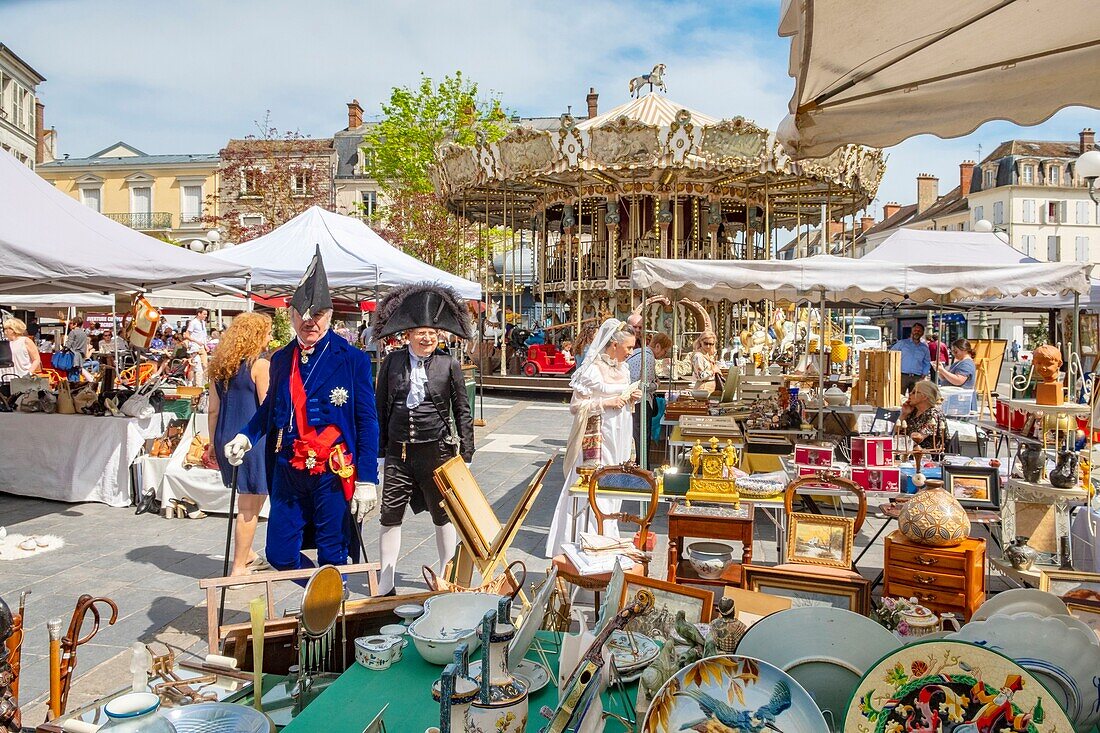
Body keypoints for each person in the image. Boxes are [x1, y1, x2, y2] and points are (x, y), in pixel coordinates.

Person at [225, 249, 379, 571]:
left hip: (333, 471)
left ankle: (329, 615)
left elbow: (367, 422)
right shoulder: (280, 359)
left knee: (333, 552)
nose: (310, 321)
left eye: (318, 313)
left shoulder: (353, 360)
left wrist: (367, 479)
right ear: (292, 315)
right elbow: (269, 410)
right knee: (279, 554)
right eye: (303, 314)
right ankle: (317, 597)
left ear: (331, 315)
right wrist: (245, 436)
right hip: (287, 469)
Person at [372, 284, 475, 595]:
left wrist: (467, 454)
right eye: (421, 332)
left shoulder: (449, 364)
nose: (428, 338)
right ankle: (386, 579)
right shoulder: (391, 363)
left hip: (437, 452)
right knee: (389, 513)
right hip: (398, 454)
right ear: (408, 334)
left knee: (443, 513)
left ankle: (445, 573)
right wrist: (378, 453)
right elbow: (380, 407)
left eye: (433, 332)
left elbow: (462, 410)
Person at [545, 318, 642, 558]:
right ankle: (585, 537)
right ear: (613, 345)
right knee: (596, 481)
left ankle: (608, 535)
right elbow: (576, 406)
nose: (631, 353)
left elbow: (623, 397)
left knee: (615, 480)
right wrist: (605, 402)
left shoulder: (624, 368)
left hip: (620, 432)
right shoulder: (591, 370)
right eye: (628, 347)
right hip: (598, 435)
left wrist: (632, 397)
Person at [208, 312, 273, 577]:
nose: (270, 337)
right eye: (267, 332)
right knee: (250, 506)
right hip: (251, 440)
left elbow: (213, 410)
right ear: (257, 335)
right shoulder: (259, 365)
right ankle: (238, 568)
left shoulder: (220, 366)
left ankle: (248, 554)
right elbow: (267, 408)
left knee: (248, 502)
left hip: (224, 435)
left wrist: (213, 443)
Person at [626, 331, 672, 468]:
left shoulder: (637, 352)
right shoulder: (648, 358)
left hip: (636, 400)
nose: (663, 355)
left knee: (638, 435)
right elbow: (644, 385)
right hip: (641, 401)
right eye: (664, 351)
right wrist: (656, 385)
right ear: (657, 346)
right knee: (642, 437)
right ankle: (642, 467)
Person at [899, 379, 945, 451]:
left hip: (928, 456)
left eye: (914, 392)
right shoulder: (913, 412)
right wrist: (904, 414)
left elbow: (919, 438)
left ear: (924, 397)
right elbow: (896, 434)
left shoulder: (934, 413)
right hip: (908, 453)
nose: (909, 394)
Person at [936, 338, 978, 412]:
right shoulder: (959, 362)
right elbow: (946, 378)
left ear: (964, 350)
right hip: (955, 400)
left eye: (956, 351)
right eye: (952, 351)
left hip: (962, 402)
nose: (954, 354)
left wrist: (943, 371)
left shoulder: (966, 363)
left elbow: (958, 381)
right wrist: (940, 370)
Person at [890, 322, 930, 394]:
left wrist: (924, 375)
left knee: (915, 400)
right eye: (915, 330)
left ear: (922, 333)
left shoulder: (924, 348)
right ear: (912, 331)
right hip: (902, 376)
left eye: (919, 331)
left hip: (917, 377)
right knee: (899, 398)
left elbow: (927, 362)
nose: (917, 332)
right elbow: (891, 354)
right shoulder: (902, 343)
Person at [182, 308, 209, 387]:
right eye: (204, 314)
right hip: (194, 347)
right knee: (195, 366)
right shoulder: (193, 323)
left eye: (206, 314)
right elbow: (187, 335)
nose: (205, 316)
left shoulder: (203, 323)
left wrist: (205, 345)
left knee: (205, 365)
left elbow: (203, 335)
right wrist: (196, 341)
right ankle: (191, 382)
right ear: (199, 314)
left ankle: (200, 384)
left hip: (202, 347)